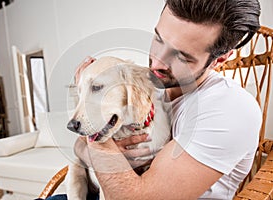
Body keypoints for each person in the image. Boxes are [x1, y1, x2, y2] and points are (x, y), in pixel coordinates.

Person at [46, 0, 263, 199]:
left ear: (220, 59)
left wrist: (98, 143)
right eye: (159, 39)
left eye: (181, 57)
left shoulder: (231, 109)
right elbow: (78, 146)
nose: (157, 63)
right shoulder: (150, 87)